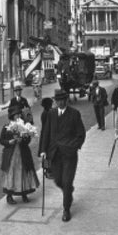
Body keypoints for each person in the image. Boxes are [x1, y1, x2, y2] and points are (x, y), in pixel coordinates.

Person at [39, 88, 86, 222]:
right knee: (58, 181)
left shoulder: (74, 114)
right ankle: (68, 190)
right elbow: (46, 133)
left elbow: (81, 134)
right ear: (55, 101)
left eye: (62, 100)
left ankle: (66, 209)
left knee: (66, 181)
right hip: (54, 155)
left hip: (69, 155)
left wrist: (73, 146)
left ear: (66, 100)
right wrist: (43, 150)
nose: (60, 103)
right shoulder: (51, 114)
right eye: (57, 100)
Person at [0, 103, 40, 204]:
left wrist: (23, 140)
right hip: (11, 155)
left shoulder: (24, 125)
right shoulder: (6, 127)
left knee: (23, 172)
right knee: (12, 174)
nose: (18, 116)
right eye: (16, 115)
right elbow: (1, 140)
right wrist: (9, 142)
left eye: (19, 114)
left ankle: (24, 194)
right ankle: (9, 196)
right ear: (12, 116)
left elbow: (28, 139)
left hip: (23, 153)